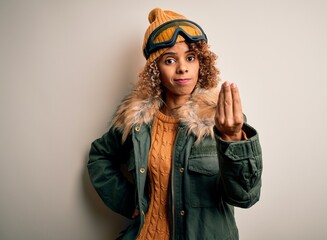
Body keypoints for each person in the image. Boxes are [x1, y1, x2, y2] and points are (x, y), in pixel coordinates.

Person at [87, 8, 262, 240]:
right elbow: (100, 156)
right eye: (169, 60)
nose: (182, 67)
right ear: (154, 69)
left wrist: (233, 138)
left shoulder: (221, 119)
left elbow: (245, 197)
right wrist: (128, 201)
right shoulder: (137, 120)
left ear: (202, 62)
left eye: (190, 57)